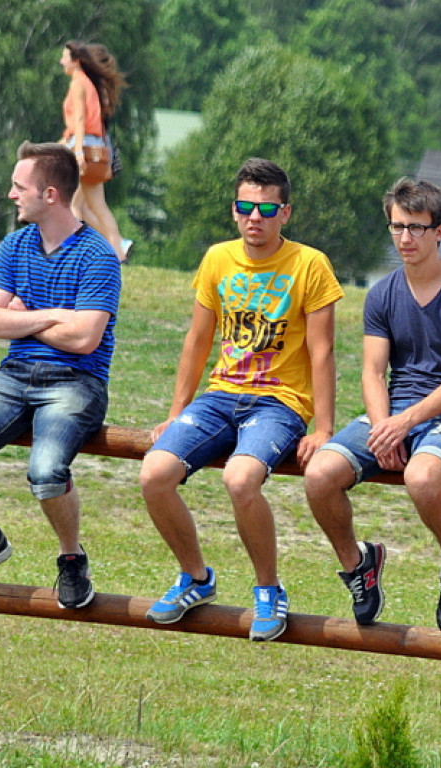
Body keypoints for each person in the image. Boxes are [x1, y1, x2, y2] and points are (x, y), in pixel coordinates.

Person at [140, 158, 343, 642]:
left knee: (239, 478)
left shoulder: (310, 264)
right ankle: (195, 577)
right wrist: (175, 414)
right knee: (153, 475)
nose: (255, 217)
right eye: (245, 207)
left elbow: (323, 351)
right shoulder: (217, 259)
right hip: (221, 396)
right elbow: (197, 340)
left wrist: (323, 429)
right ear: (234, 210)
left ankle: (269, 589)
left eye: (267, 209)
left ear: (285, 213)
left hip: (279, 401)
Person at [0, 141, 122, 609]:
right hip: (13, 376)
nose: (11, 194)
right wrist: (53, 316)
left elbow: (85, 339)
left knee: (46, 472)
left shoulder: (98, 256)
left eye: (19, 186)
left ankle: (72, 558)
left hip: (77, 382)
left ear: (50, 194)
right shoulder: (15, 245)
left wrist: (24, 314)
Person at [304, 178, 441, 632]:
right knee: (319, 475)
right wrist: (383, 426)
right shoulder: (382, 293)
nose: (405, 238)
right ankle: (358, 565)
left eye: (416, 228)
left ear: (439, 231)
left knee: (421, 479)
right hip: (393, 413)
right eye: (397, 227)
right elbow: (373, 373)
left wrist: (402, 424)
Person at [60, 40, 130, 263]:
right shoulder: (89, 83)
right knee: (98, 206)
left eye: (64, 57)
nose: (61, 61)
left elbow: (80, 120)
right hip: (95, 146)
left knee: (72, 204)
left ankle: (71, 251)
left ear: (76, 61)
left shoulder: (78, 84)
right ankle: (118, 251)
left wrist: (78, 152)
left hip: (82, 146)